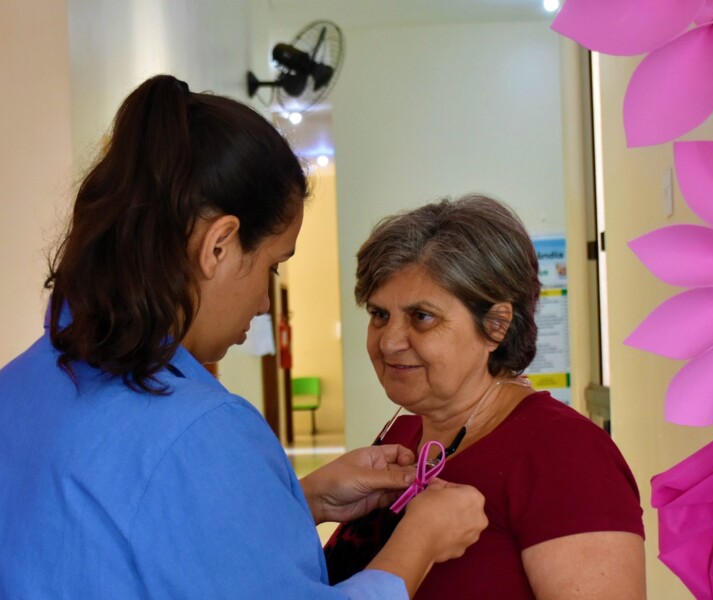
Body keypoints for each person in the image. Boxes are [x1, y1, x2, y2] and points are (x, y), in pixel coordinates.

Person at [0, 75, 487, 599]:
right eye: (272, 267)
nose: (262, 302)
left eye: (422, 317)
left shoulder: (21, 385)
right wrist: (420, 541)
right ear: (219, 246)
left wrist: (291, 500)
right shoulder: (198, 426)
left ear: (497, 323)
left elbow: (132, 536)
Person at [324, 195, 647, 599]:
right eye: (379, 315)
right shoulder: (400, 438)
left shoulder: (565, 455)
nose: (388, 342)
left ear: (496, 325)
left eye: (421, 317)